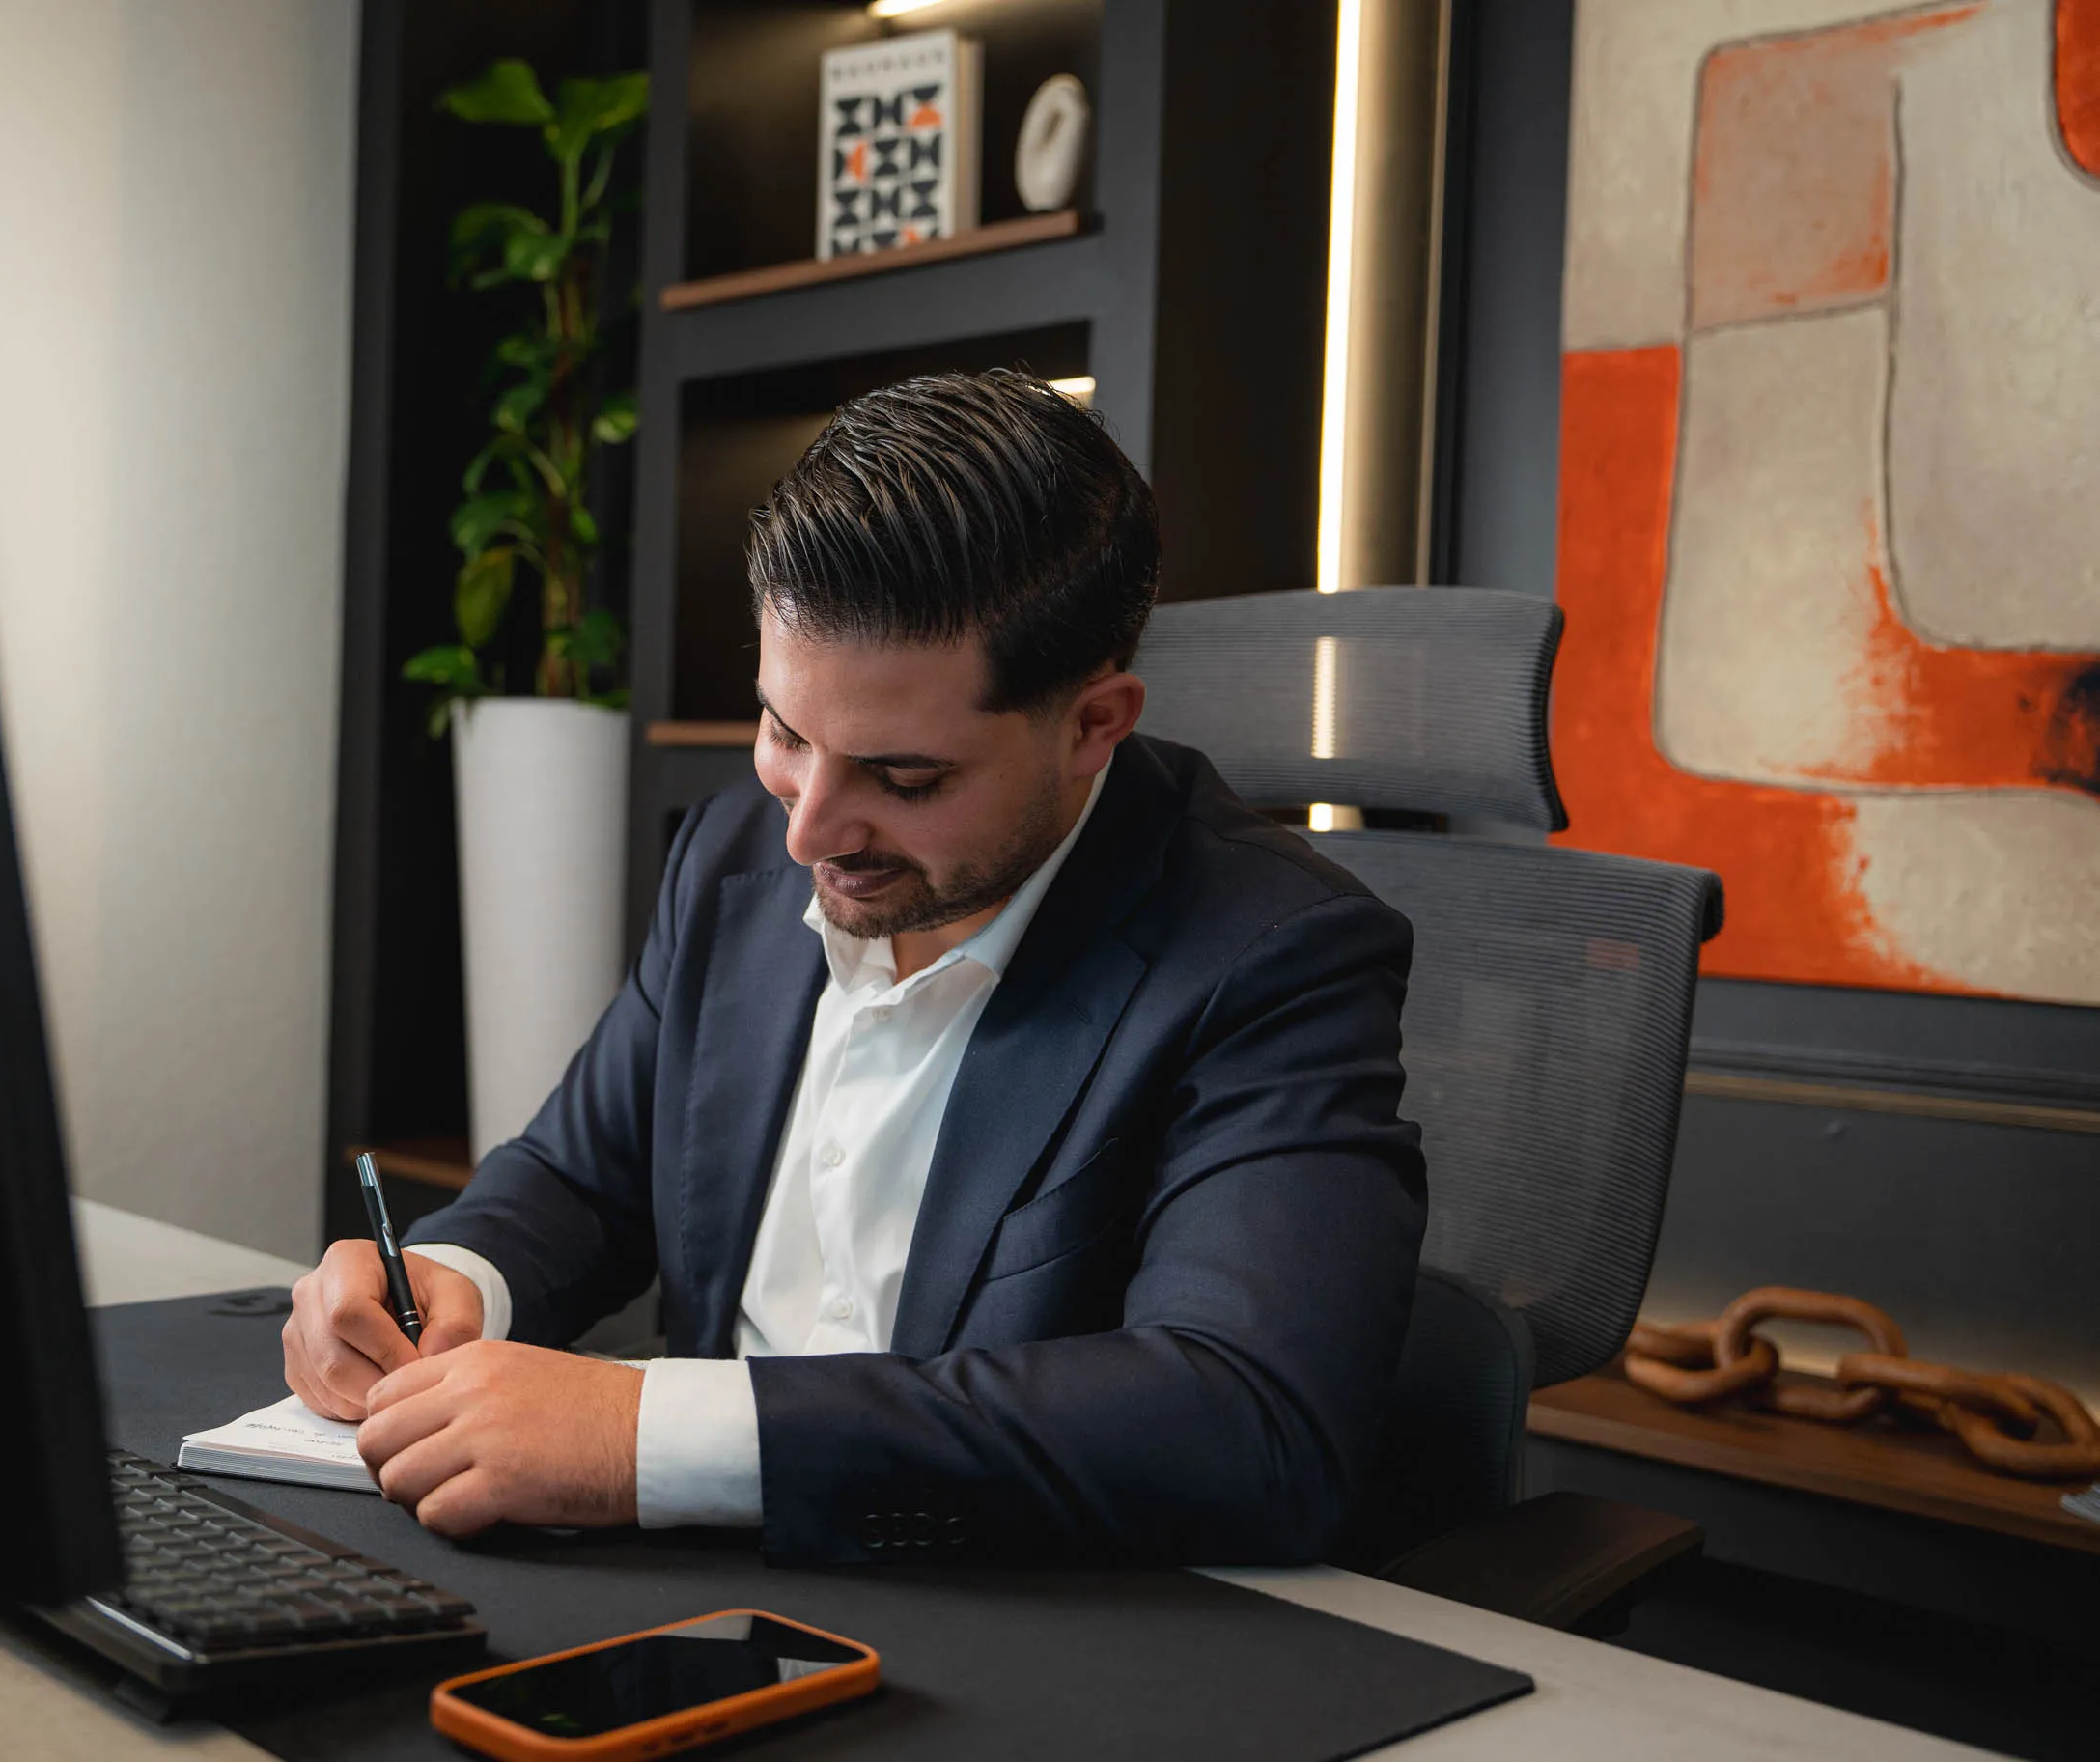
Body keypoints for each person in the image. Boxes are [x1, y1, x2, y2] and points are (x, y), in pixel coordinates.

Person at [286, 369, 1425, 1566]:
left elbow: (1249, 1423)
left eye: (905, 777)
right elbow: (583, 1176)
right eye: (785, 732)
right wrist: (447, 1280)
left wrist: (646, 1431)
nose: (806, 832)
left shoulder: (1274, 956)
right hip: (680, 1599)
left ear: (1093, 724)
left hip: (1007, 1629)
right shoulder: (733, 852)